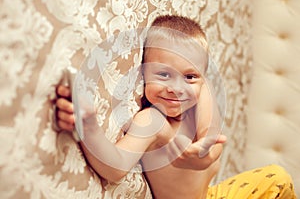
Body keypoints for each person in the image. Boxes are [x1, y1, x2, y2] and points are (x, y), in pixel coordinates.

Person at [55, 15, 297, 199]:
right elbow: (115, 166)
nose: (177, 88)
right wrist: (89, 126)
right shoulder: (153, 122)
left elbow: (211, 141)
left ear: (203, 76)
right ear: (142, 73)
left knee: (278, 177)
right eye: (163, 74)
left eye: (190, 76)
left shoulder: (202, 96)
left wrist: (201, 155)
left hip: (213, 194)